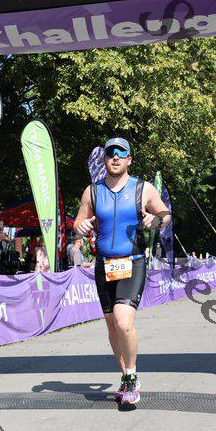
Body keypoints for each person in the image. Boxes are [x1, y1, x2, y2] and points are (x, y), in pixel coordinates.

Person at [74, 137, 170, 405]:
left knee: (123, 321)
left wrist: (156, 220)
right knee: (112, 326)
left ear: (129, 160)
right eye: (110, 153)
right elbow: (79, 220)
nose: (115, 157)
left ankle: (132, 375)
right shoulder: (92, 191)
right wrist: (80, 226)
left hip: (133, 261)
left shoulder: (143, 188)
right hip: (104, 265)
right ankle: (125, 374)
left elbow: (165, 215)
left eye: (121, 153)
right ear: (104, 159)